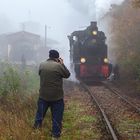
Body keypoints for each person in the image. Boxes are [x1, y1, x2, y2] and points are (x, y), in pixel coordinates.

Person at [34, 50, 70, 140]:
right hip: (56, 97)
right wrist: (62, 64)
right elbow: (67, 75)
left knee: (39, 116)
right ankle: (55, 136)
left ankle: (35, 133)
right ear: (57, 58)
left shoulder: (42, 64)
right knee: (56, 119)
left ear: (49, 56)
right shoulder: (58, 66)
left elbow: (39, 73)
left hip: (43, 96)